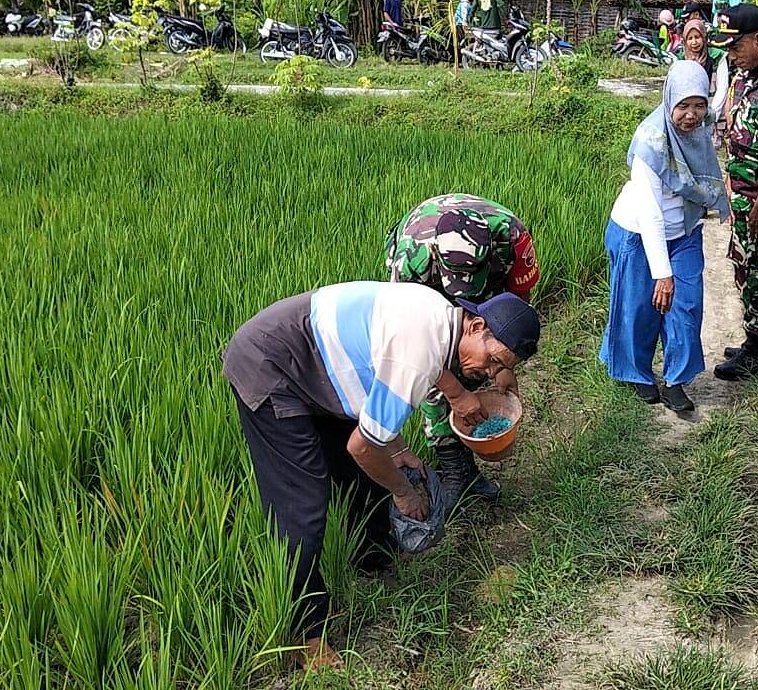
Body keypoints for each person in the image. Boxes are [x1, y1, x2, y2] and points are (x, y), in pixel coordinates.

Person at [224, 282, 540, 671]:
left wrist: (414, 434)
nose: (487, 373)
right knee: (302, 506)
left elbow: (399, 371)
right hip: (273, 364)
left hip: (321, 360)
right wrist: (404, 493)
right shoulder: (420, 354)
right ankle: (306, 635)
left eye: (498, 369)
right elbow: (363, 444)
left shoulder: (443, 317)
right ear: (475, 326)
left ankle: (374, 561)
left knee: (364, 473)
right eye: (491, 361)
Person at [384, 194, 540, 508]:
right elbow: (412, 343)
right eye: (459, 283)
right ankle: (456, 468)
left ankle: (467, 445)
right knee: (438, 368)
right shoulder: (411, 260)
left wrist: (504, 365)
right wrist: (454, 393)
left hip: (493, 283)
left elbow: (517, 306)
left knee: (479, 356)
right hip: (425, 286)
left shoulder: (512, 238)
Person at [599, 61, 729, 414]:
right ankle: (635, 372)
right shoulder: (650, 141)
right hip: (638, 232)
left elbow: (719, 101)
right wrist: (662, 273)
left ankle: (676, 380)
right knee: (638, 307)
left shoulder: (701, 127)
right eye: (683, 106)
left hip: (684, 231)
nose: (691, 115)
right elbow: (651, 214)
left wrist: (724, 68)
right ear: (668, 99)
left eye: (698, 105)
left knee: (686, 304)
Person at [706, 4, 758, 381]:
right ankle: (756, 334)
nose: (730, 55)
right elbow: (736, 138)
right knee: (743, 267)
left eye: (735, 46)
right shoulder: (741, 78)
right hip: (738, 192)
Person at [681, 15, 729, 121]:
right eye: (690, 38)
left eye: (697, 37)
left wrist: (711, 114)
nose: (694, 42)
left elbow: (722, 88)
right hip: (689, 115)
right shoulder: (682, 59)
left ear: (704, 37)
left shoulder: (717, 56)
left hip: (712, 110)